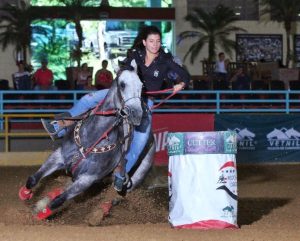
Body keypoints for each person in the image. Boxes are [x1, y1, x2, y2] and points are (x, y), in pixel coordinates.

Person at [41, 25, 190, 192]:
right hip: (122, 94)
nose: (155, 44)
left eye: (158, 41)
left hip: (144, 101)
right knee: (87, 99)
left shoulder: (165, 60)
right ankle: (59, 127)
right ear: (144, 42)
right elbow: (124, 70)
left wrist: (181, 84)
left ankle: (121, 174)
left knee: (140, 143)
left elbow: (185, 75)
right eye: (151, 41)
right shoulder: (136, 56)